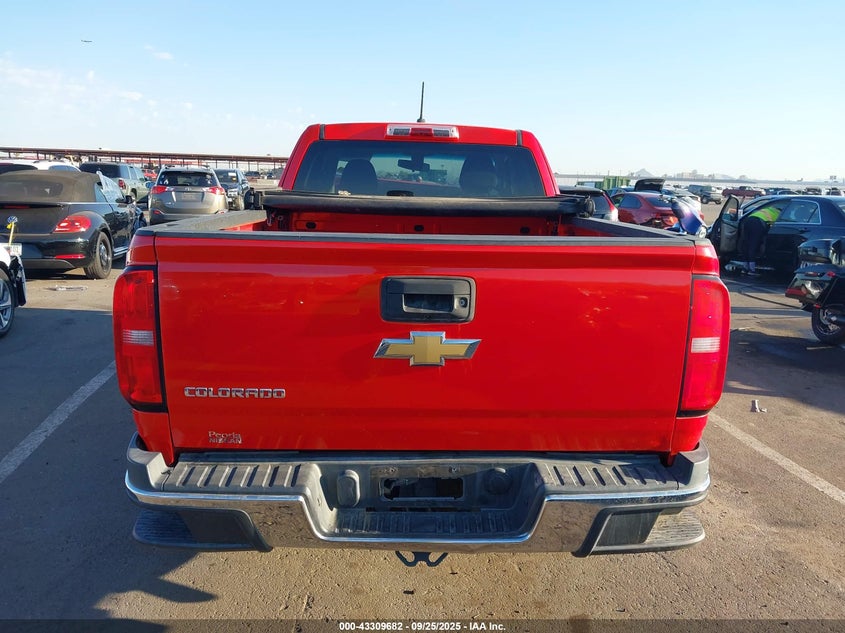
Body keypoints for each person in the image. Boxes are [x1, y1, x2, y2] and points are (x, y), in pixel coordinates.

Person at [738, 204, 781, 275]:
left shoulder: (769, 209)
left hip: (748, 220)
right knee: (753, 245)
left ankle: (745, 268)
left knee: (746, 244)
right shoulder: (779, 214)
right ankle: (752, 270)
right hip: (758, 223)